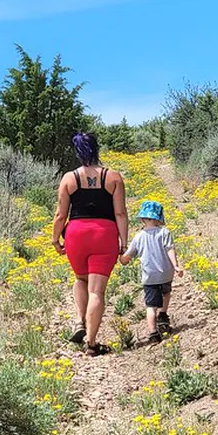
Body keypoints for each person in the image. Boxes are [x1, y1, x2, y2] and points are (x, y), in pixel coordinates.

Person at [52, 132, 129, 357]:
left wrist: (55, 239)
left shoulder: (69, 178)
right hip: (104, 234)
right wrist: (124, 243)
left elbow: (60, 215)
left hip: (76, 234)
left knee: (80, 279)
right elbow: (121, 213)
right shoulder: (113, 177)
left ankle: (79, 321)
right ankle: (92, 342)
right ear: (97, 148)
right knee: (97, 290)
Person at [118, 200, 183, 343]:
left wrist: (121, 259)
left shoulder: (139, 237)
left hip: (149, 276)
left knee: (150, 306)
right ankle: (163, 315)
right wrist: (176, 266)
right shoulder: (165, 232)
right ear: (159, 218)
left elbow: (127, 256)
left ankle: (153, 333)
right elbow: (170, 249)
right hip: (166, 273)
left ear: (142, 219)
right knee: (166, 293)